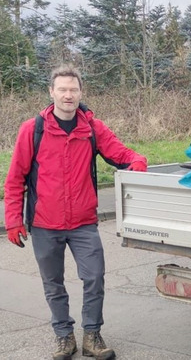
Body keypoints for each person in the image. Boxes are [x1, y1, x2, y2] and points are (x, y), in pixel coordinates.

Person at [4, 64, 147, 360]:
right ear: (51, 92)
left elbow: (121, 154)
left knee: (95, 276)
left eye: (73, 89)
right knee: (53, 283)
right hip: (45, 223)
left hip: (83, 223)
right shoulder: (34, 130)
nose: (68, 95)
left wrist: (138, 162)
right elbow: (15, 177)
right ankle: (64, 337)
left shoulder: (92, 128)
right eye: (62, 89)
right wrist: (14, 220)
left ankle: (92, 336)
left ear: (81, 92)